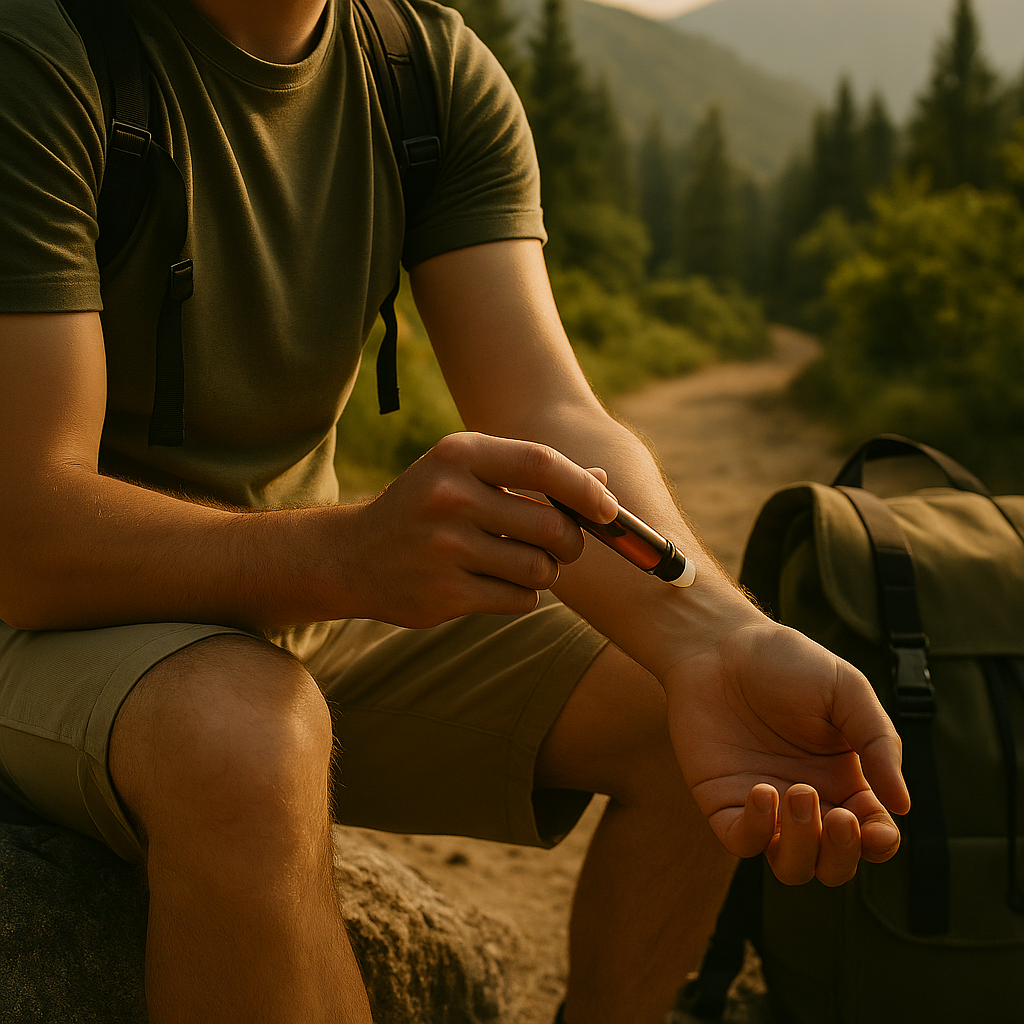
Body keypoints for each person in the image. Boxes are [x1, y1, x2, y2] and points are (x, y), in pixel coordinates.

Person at [0, 0, 910, 1021]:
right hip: (51, 624)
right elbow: (29, 533)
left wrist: (716, 637)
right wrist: (348, 556)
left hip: (296, 611)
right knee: (243, 735)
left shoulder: (420, 71)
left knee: (686, 694)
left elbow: (548, 408)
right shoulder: (43, 54)